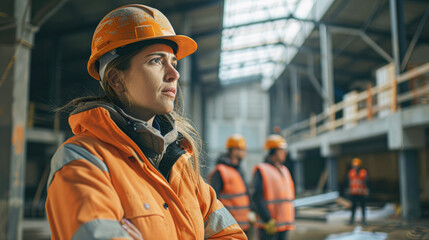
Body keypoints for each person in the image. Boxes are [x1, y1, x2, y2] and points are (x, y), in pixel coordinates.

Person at [45, 4, 246, 240]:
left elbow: (232, 235)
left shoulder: (179, 163)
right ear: (116, 79)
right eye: (156, 61)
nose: (174, 73)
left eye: (174, 62)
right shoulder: (82, 160)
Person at [252, 135, 295, 240]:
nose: (285, 153)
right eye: (281, 150)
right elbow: (257, 197)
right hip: (269, 226)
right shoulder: (262, 170)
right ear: (272, 152)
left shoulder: (284, 170)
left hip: (284, 225)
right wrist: (267, 220)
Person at [208, 134, 251, 234]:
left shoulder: (239, 170)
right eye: (242, 150)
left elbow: (245, 194)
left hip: (243, 225)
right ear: (235, 151)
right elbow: (215, 199)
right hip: (228, 226)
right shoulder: (220, 171)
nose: (245, 153)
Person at [346, 158, 369, 225]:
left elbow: (366, 181)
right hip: (353, 193)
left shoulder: (363, 172)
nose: (355, 166)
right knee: (353, 207)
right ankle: (352, 220)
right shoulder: (351, 172)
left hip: (361, 193)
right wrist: (348, 190)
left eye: (356, 165)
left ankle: (364, 220)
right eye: (354, 165)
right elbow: (348, 182)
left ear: (359, 165)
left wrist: (367, 189)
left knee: (363, 206)